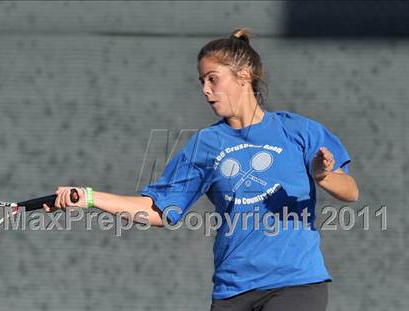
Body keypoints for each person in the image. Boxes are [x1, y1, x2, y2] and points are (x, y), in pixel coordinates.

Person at [44, 28, 359, 311]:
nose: (206, 90)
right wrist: (87, 197)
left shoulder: (298, 131)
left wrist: (322, 176)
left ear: (243, 75)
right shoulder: (204, 145)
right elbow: (158, 210)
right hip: (232, 291)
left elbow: (351, 192)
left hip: (296, 284)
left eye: (213, 78)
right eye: (202, 82)